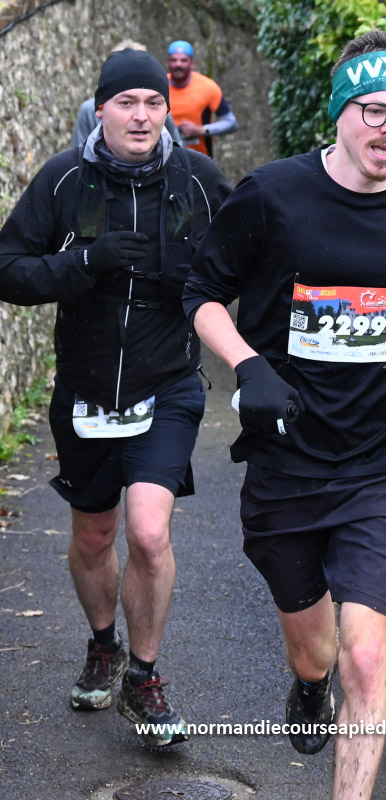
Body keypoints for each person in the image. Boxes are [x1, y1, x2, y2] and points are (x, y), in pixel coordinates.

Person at [183, 29, 386, 799]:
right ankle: (308, 684)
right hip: (286, 460)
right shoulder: (272, 195)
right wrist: (250, 366)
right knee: (316, 652)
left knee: (366, 656)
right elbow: (203, 295)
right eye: (375, 110)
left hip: (380, 465)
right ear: (341, 112)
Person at [0, 48, 230, 747]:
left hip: (168, 386)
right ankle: (104, 645)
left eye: (153, 103)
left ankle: (144, 678)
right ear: (100, 108)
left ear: (167, 110)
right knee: (94, 536)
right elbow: (8, 269)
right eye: (126, 102)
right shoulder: (64, 179)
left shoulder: (199, 182)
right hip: (87, 389)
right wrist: (83, 263)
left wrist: (206, 298)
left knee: (149, 534)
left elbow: (250, 263)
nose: (140, 115)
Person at [71, 40, 183, 147]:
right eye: (126, 103)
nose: (141, 117)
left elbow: (176, 149)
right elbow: (78, 153)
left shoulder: (160, 112)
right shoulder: (89, 111)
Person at [166, 40, 237, 158]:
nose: (178, 64)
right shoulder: (159, 86)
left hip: (200, 158)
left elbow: (231, 123)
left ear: (192, 63)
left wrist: (201, 130)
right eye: (174, 60)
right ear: (167, 62)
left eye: (183, 60)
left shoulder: (208, 87)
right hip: (164, 157)